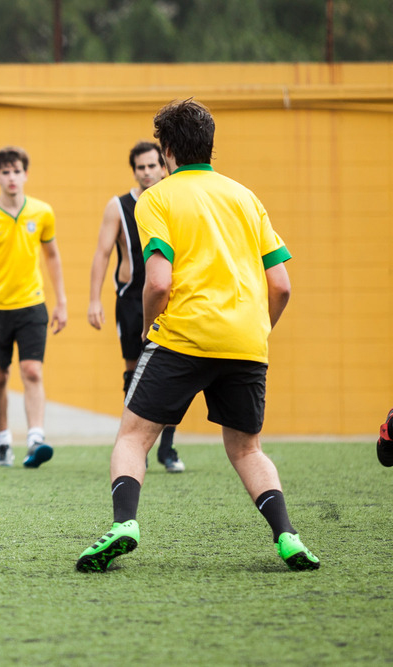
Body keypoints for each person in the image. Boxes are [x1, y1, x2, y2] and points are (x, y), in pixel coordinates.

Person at [75, 99, 319, 572]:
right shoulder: (246, 197)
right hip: (246, 341)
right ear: (210, 145)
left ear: (166, 151)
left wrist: (149, 328)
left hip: (182, 337)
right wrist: (258, 328)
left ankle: (124, 524)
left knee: (132, 437)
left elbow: (159, 281)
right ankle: (287, 536)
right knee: (247, 449)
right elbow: (282, 284)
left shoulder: (156, 199)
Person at [0, 146, 68, 468]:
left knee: (32, 371)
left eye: (16, 171)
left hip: (32, 304)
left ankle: (36, 439)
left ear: (25, 174)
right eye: (5, 172)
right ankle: (3, 441)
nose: (11, 177)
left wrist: (61, 302)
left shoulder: (42, 212)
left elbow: (53, 257)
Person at [88, 141, 184, 473]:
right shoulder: (118, 206)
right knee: (134, 370)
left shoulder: (175, 200)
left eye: (151, 166)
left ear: (163, 167)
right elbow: (101, 253)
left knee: (173, 371)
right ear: (134, 171)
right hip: (131, 298)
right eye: (140, 167)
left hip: (172, 297)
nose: (146, 172)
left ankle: (167, 448)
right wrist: (93, 300)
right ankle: (136, 445)